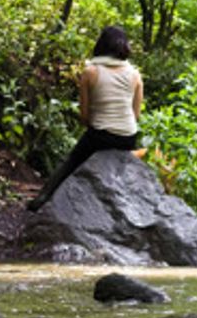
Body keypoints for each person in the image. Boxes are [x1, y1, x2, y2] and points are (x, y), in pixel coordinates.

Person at [27, 25, 143, 211]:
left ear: (101, 45)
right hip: (128, 137)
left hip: (100, 135)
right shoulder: (135, 75)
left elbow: (84, 116)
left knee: (72, 160)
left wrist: (96, 126)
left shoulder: (91, 72)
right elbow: (135, 115)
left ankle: (42, 199)